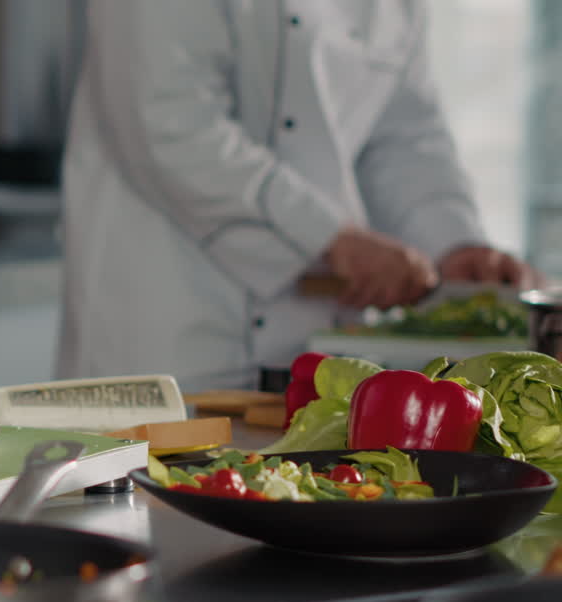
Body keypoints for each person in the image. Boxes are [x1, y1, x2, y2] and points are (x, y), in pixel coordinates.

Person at [58, 1, 541, 393]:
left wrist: (452, 245)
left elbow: (403, 135)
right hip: (172, 324)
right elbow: (166, 124)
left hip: (316, 352)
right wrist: (332, 239)